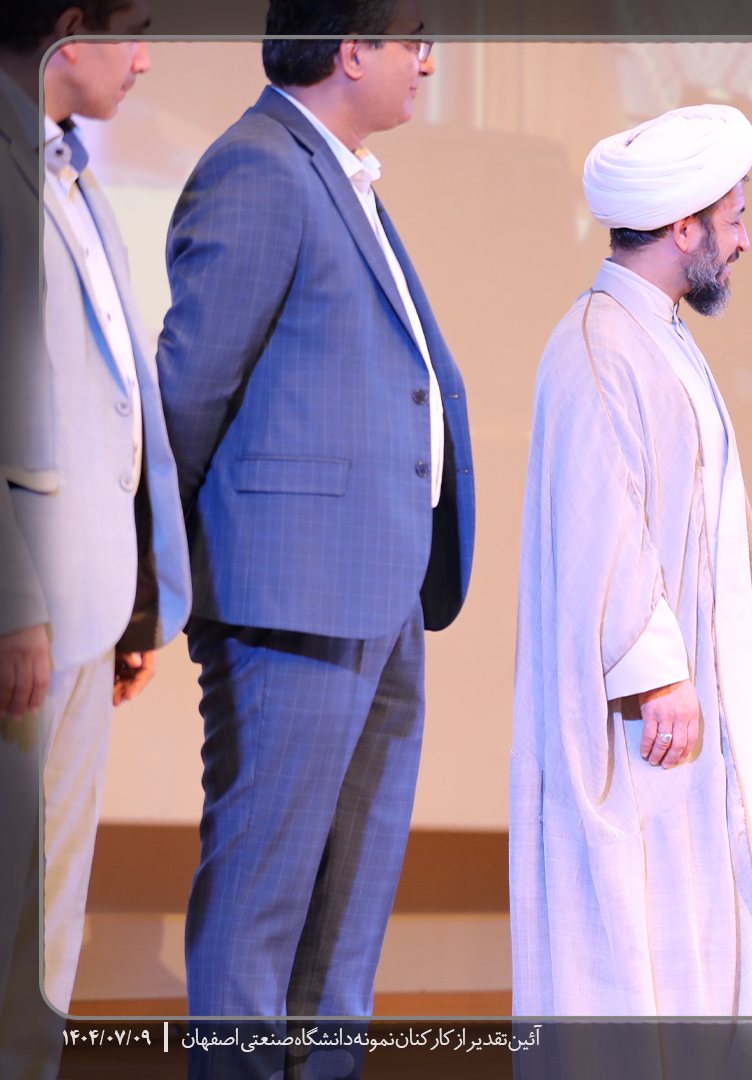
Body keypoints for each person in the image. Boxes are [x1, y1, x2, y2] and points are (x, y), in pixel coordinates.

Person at [155, 0, 475, 1037]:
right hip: (289, 601)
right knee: (262, 907)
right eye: (414, 44)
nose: (427, 64)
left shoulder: (340, 174)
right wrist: (148, 571)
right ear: (351, 51)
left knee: (345, 922)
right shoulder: (258, 167)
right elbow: (189, 392)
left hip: (380, 594)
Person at [511, 104, 752, 1033]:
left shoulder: (657, 334)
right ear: (684, 227)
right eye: (735, 219)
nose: (744, 241)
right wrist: (658, 673)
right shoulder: (601, 342)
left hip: (688, 699)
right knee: (636, 934)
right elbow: (605, 523)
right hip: (649, 709)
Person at [0, 2, 183, 1076]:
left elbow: (114, 407)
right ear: (69, 31)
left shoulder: (73, 172)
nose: (147, 58)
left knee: (48, 914)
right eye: (134, 30)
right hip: (26, 615)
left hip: (87, 603)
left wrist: (137, 602)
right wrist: (14, 602)